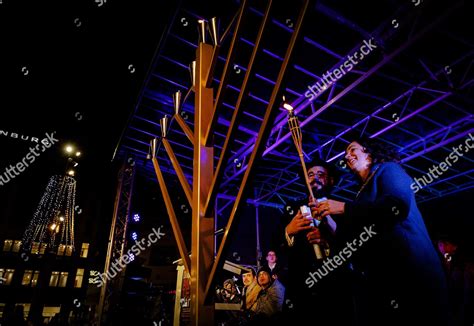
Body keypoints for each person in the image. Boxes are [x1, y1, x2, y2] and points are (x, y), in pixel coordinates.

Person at [312, 137, 449, 326]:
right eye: (345, 154)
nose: (347, 156)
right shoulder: (361, 194)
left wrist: (343, 208)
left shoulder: (389, 169)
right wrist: (327, 226)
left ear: (369, 152)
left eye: (353, 149)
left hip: (411, 273)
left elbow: (396, 207)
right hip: (384, 280)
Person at [276, 157, 354, 325]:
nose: (314, 178)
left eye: (321, 174)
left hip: (336, 293)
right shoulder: (293, 211)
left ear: (331, 180)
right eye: (310, 174)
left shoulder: (343, 209)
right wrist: (289, 231)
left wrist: (329, 244)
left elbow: (355, 247)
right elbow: (276, 245)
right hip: (301, 295)